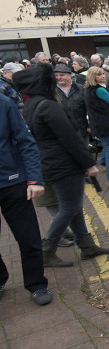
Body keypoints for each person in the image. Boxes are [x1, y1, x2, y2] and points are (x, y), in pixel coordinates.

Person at [13, 64, 109, 267]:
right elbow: (70, 137)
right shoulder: (48, 105)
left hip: (50, 162)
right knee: (70, 207)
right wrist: (89, 164)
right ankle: (46, 249)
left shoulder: (32, 105)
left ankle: (86, 246)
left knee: (72, 207)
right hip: (63, 163)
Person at [0, 93, 52, 305]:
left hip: (12, 183)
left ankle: (37, 284)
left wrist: (34, 179)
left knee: (28, 238)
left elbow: (25, 141)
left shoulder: (3, 103)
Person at [53, 64, 89, 141]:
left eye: (62, 75)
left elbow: (89, 108)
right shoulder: (51, 91)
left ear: (69, 76)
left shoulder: (81, 89)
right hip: (61, 132)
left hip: (81, 129)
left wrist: (90, 125)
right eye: (56, 75)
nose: (59, 78)